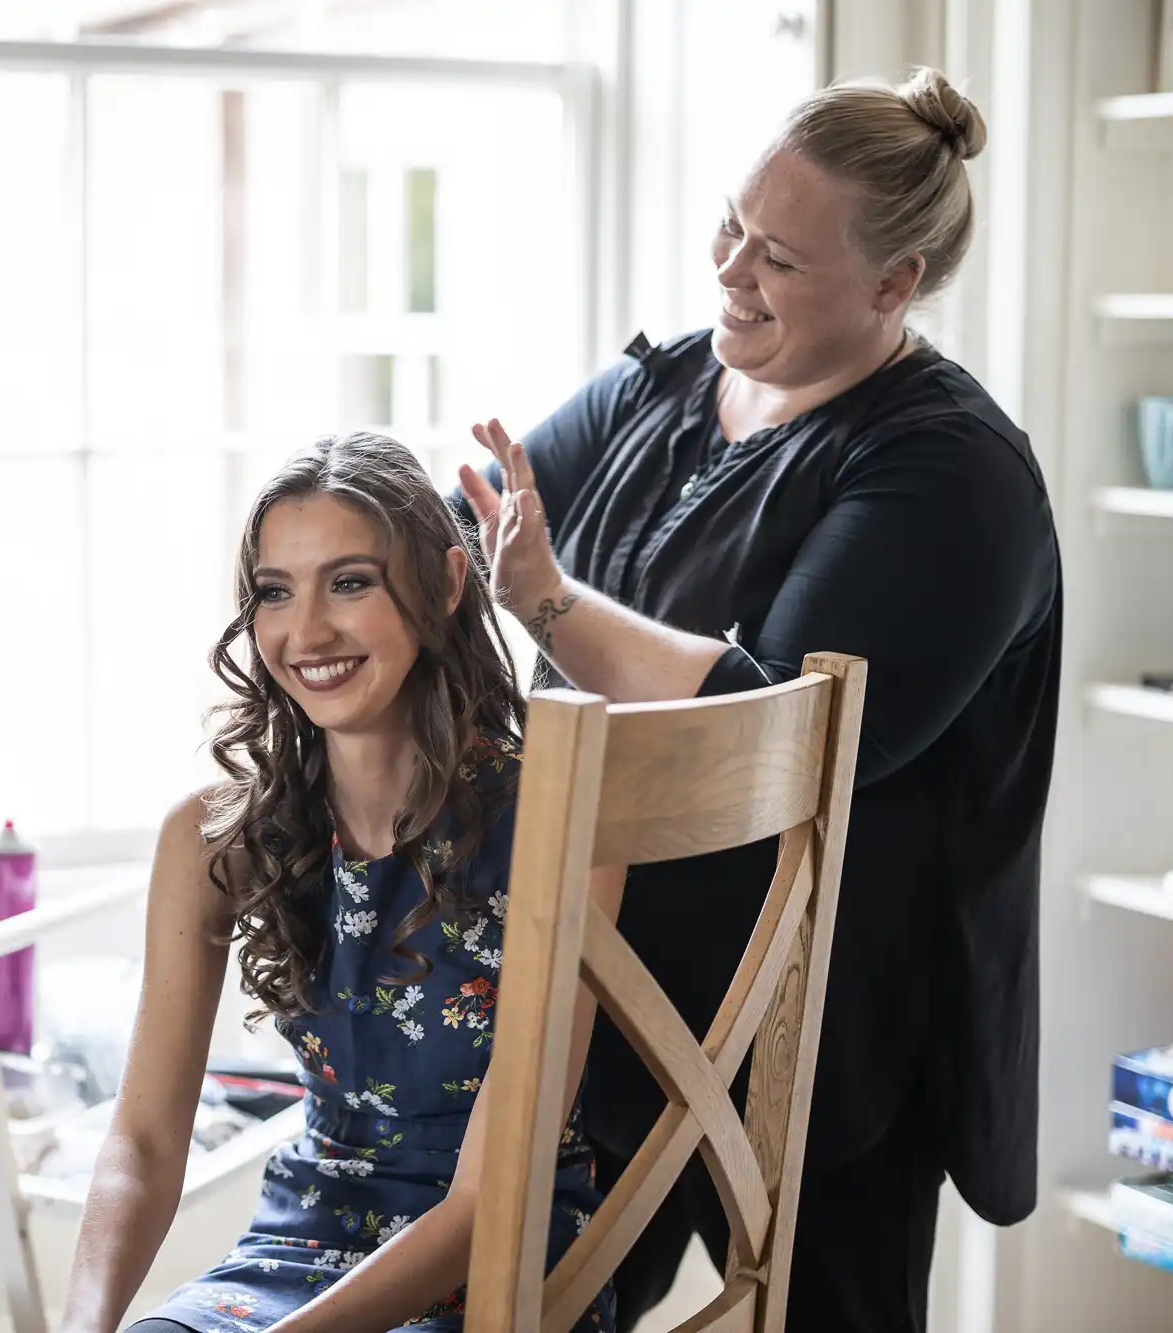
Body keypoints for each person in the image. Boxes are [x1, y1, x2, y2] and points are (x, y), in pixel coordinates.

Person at [451, 68, 1061, 1333]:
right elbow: (484, 523)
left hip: (823, 1035)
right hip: (607, 989)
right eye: (730, 223)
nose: (728, 268)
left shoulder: (951, 474)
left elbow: (773, 721)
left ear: (893, 285)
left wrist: (549, 604)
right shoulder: (665, 384)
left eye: (776, 256)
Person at [57, 431, 624, 1333]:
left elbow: (487, 1198)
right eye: (275, 592)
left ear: (444, 585)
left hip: (506, 1271)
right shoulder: (215, 834)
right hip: (296, 1251)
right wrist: (85, 1327)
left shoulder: (562, 821)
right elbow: (146, 1140)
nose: (306, 631)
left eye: (350, 582)